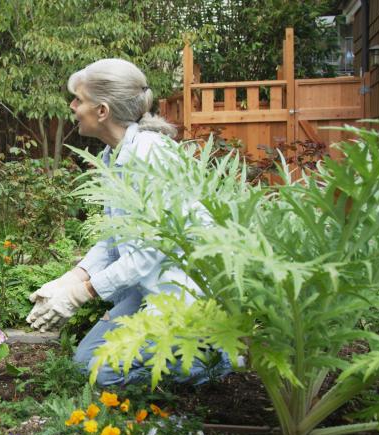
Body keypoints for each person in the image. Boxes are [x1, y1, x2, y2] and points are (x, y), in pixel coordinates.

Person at [26, 58, 228, 386]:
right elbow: (113, 241)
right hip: (147, 285)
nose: (73, 106)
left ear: (102, 110)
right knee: (85, 365)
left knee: (102, 373)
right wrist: (67, 281)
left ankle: (214, 361)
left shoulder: (152, 157)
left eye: (78, 99)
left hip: (180, 292)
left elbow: (148, 253)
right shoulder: (114, 155)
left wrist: (82, 294)